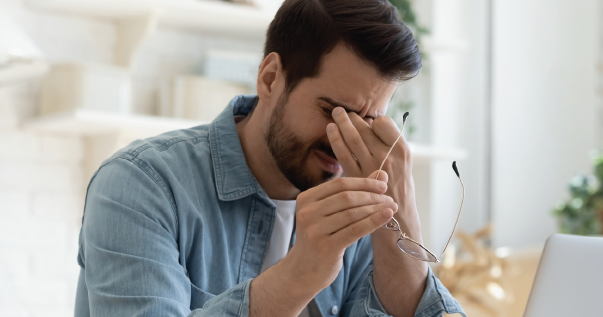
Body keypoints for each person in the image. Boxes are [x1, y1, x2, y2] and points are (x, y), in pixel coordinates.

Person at [73, 0, 466, 316]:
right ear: (270, 78)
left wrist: (404, 222)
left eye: (370, 121)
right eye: (333, 111)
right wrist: (301, 272)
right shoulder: (140, 185)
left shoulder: (364, 212)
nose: (344, 141)